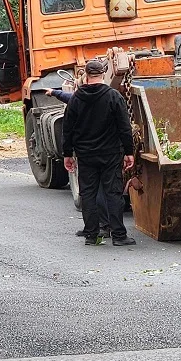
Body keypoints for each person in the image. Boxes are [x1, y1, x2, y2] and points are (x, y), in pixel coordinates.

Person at [61, 59, 136, 246]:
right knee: (113, 193)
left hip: (85, 155)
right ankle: (119, 236)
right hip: (110, 154)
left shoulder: (76, 99)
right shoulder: (113, 97)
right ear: (103, 74)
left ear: (86, 75)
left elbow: (67, 129)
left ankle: (92, 236)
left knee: (88, 194)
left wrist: (67, 154)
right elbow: (124, 127)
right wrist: (129, 152)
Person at [44, 87, 111, 239]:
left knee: (93, 190)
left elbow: (71, 100)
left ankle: (102, 226)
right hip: (105, 150)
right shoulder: (108, 98)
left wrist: (55, 93)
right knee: (100, 189)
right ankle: (100, 227)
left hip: (90, 152)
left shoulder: (83, 100)